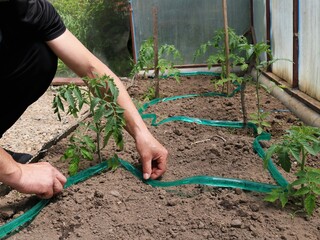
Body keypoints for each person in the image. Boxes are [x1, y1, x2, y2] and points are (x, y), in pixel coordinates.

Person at [0, 0, 168, 199]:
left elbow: (91, 69)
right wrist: (16, 173)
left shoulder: (28, 8)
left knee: (40, 57)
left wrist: (142, 133)